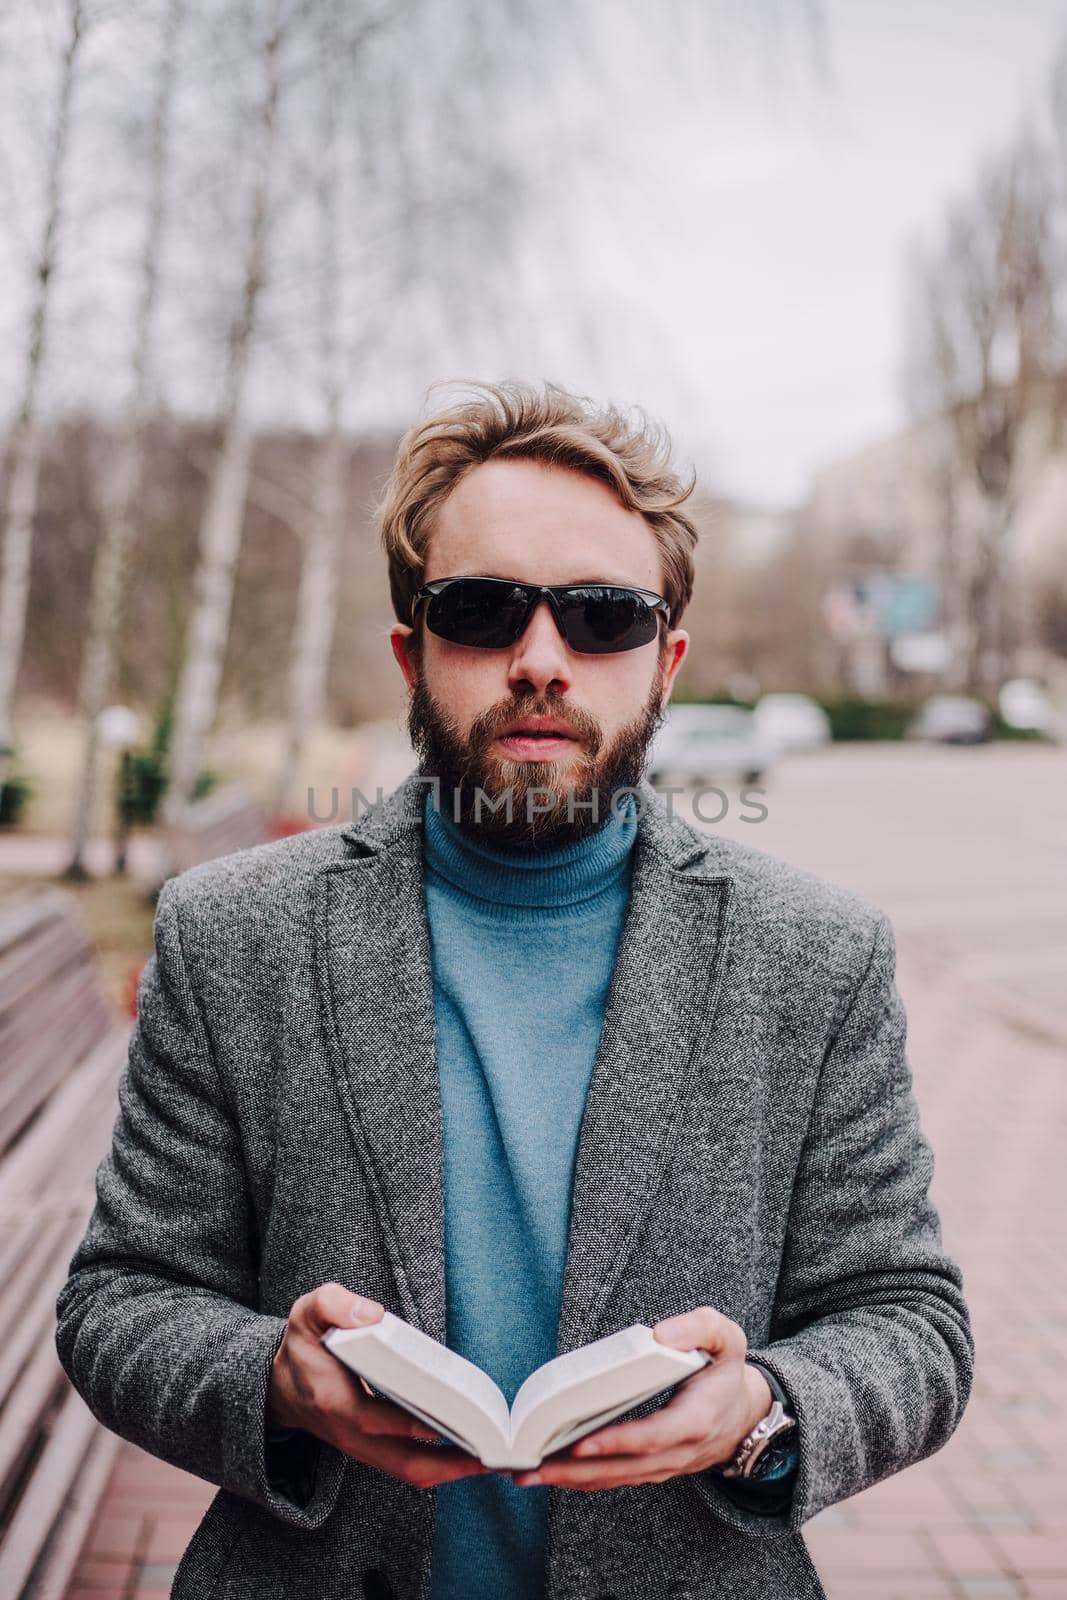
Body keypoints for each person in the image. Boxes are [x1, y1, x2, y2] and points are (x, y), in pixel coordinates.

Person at [55, 381, 973, 1600]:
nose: (542, 660)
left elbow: (910, 1319)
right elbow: (121, 1298)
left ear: (665, 662)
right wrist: (272, 1380)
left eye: (602, 617)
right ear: (410, 648)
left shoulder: (814, 954)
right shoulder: (236, 936)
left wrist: (759, 1410)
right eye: (484, 609)